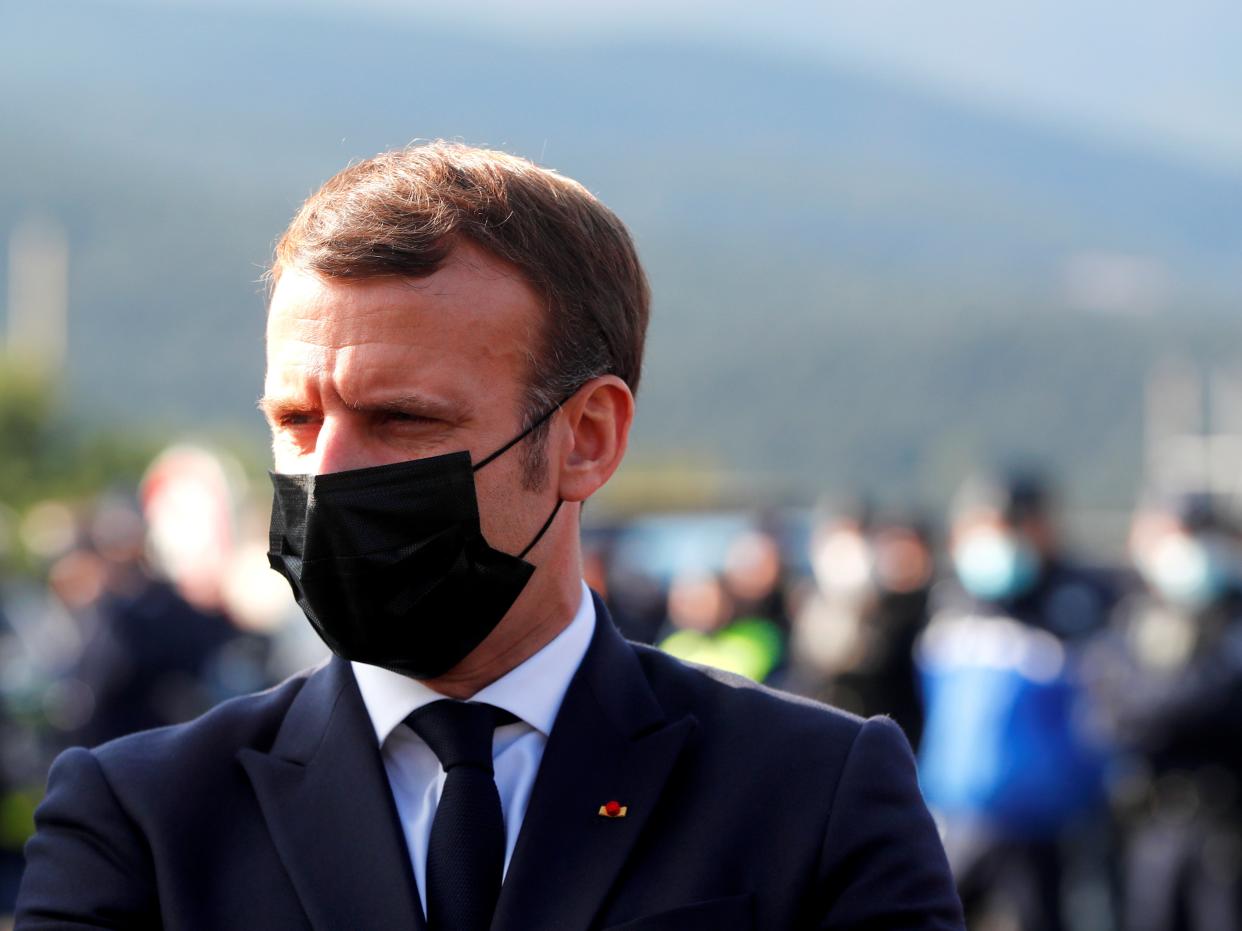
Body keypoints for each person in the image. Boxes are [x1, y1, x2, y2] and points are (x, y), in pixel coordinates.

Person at [16, 142, 962, 930]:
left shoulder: (811, 793)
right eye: (298, 421)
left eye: (402, 420)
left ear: (585, 439)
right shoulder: (141, 816)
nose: (327, 475)